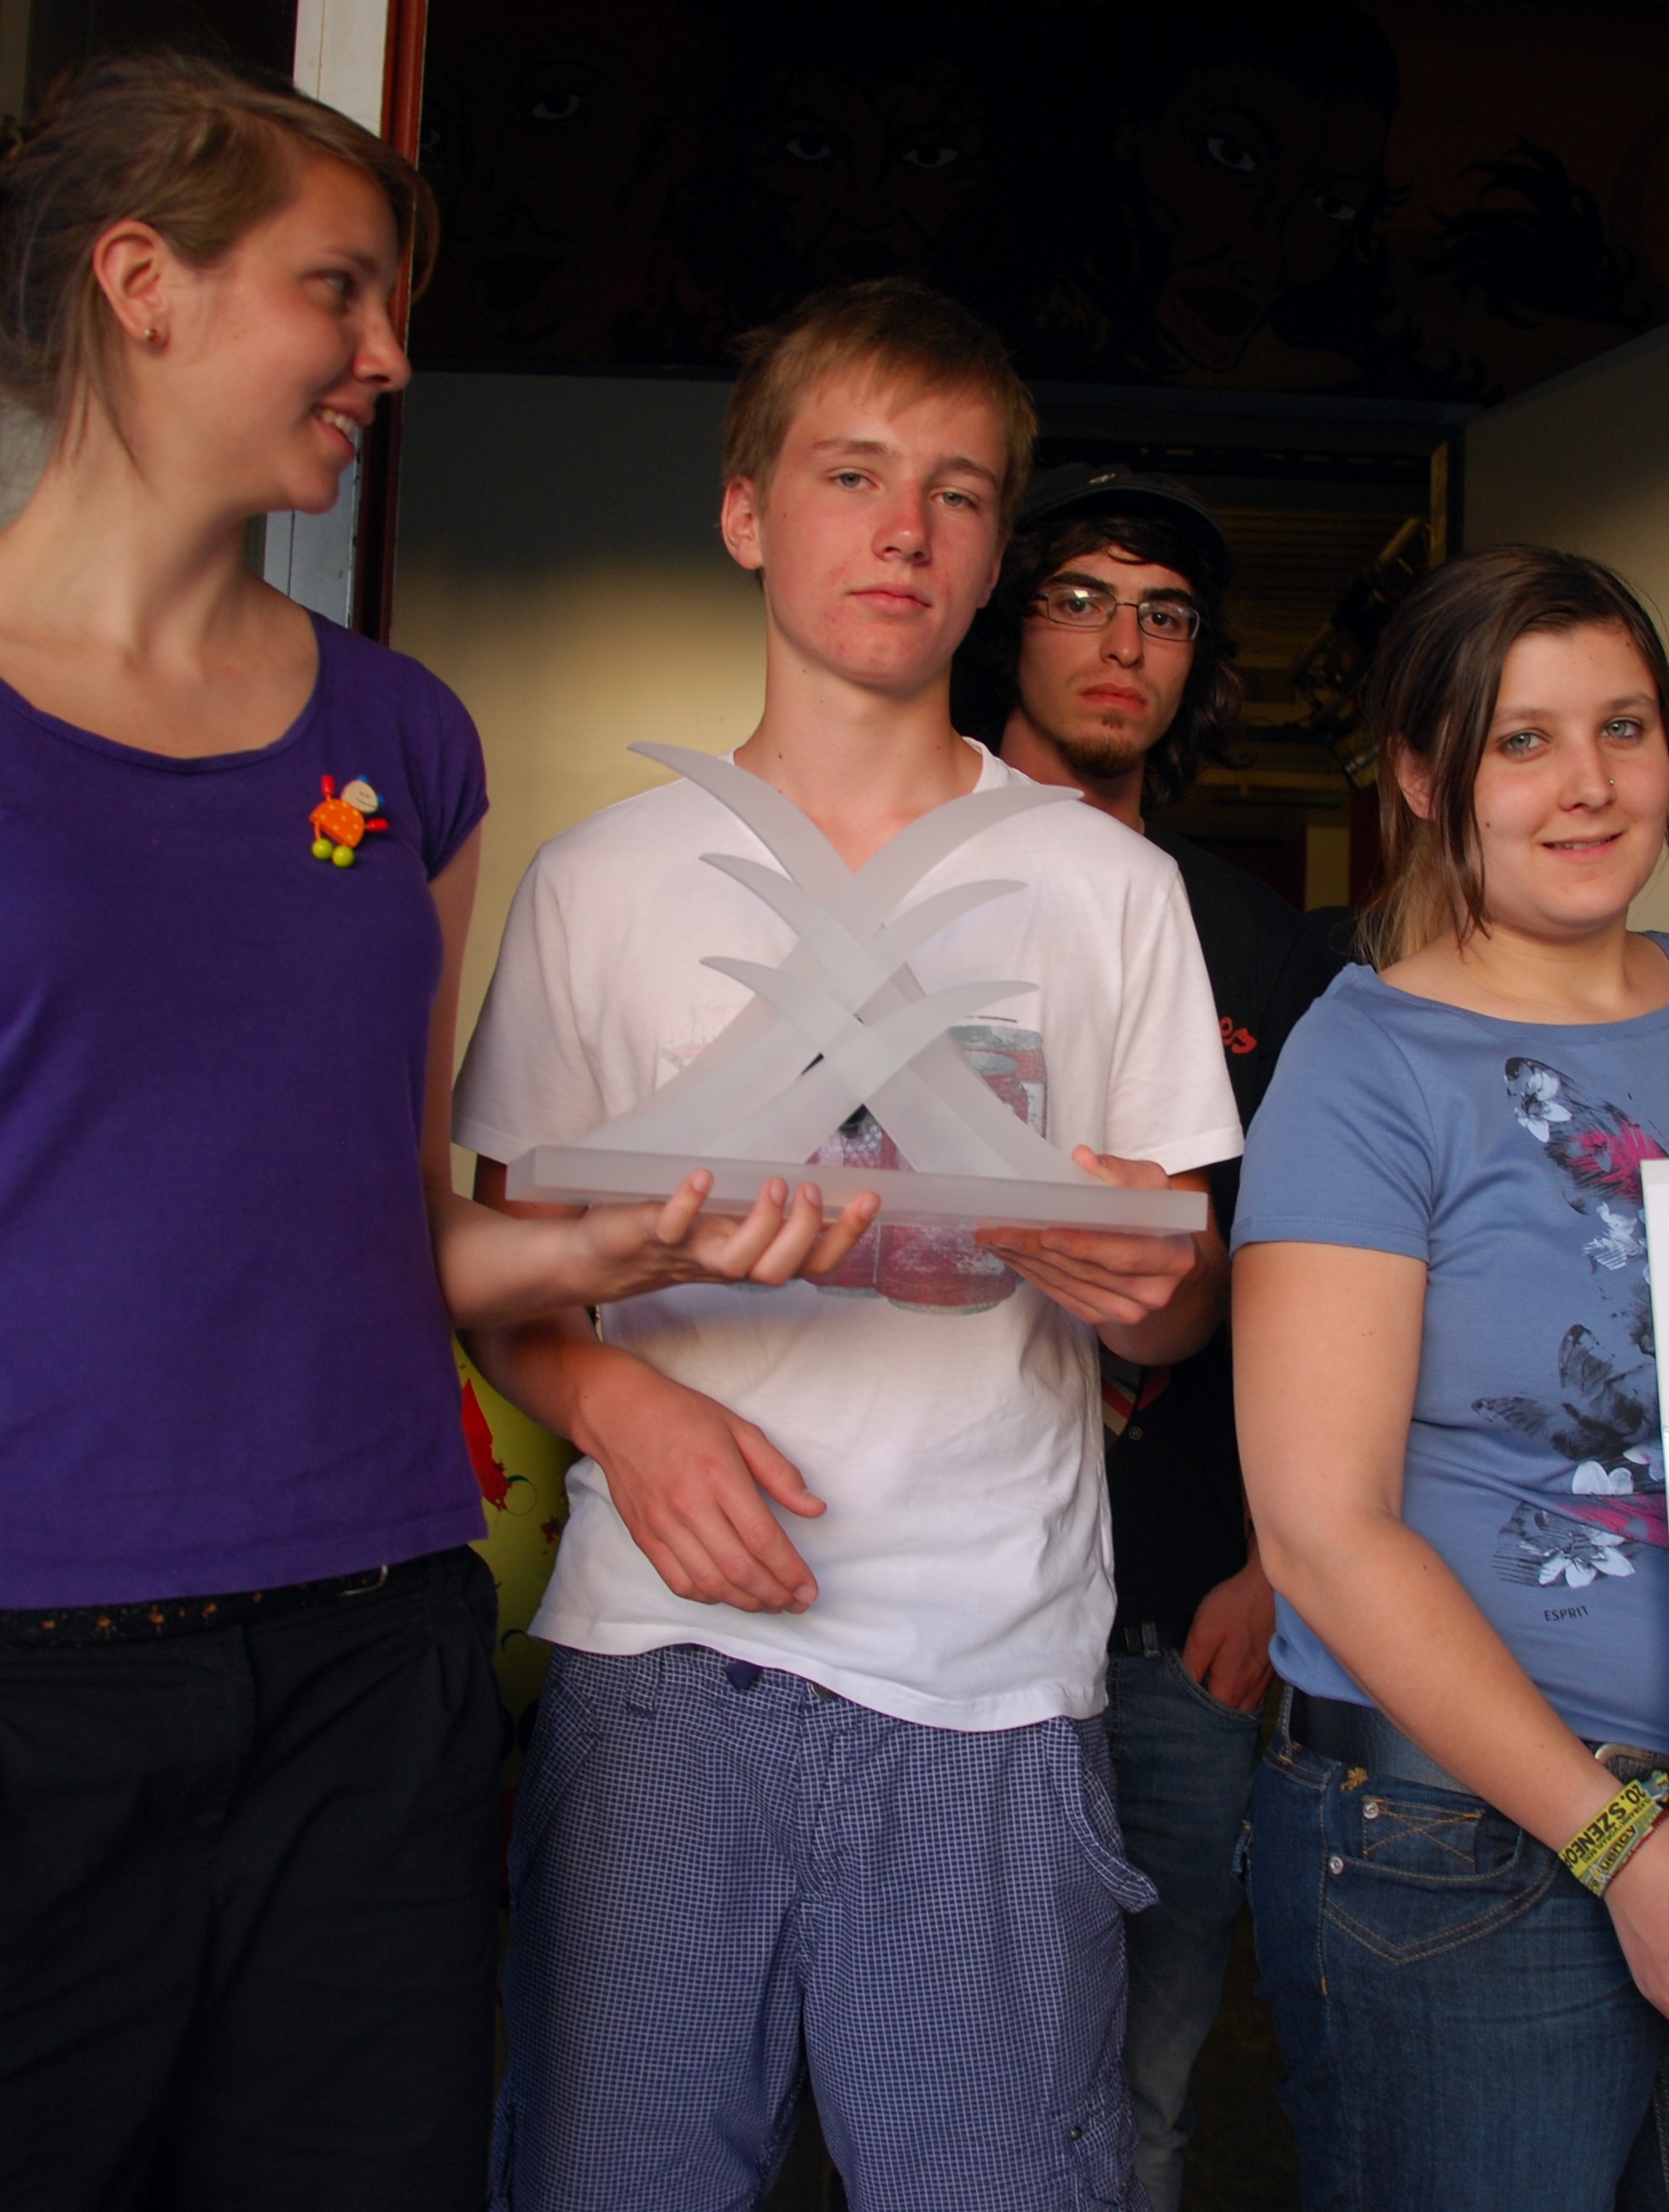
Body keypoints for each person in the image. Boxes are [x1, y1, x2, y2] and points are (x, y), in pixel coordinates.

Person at [0, 55, 874, 2212]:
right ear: (142, 283)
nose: (388, 357)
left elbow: (376, 1221)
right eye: (337, 290)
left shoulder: (403, 742)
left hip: (363, 1691)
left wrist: (613, 1247)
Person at [453, 280, 1243, 2210]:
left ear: (990, 552)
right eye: (853, 475)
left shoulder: (1108, 887)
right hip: (661, 1656)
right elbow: (492, 1271)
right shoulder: (599, 882)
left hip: (991, 1676)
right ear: (746, 512)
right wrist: (622, 1412)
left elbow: (1179, 1301)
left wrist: (1149, 1288)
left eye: (957, 493)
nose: (904, 530)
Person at [1235, 544, 1669, 2212]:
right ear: (1420, 778)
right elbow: (1321, 1530)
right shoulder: (1363, 1062)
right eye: (1521, 741)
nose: (1588, 783)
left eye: (1623, 726)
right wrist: (1621, 1846)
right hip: (1462, 1848)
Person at [962, 461, 1339, 2212]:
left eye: (1165, 613)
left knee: (1147, 2086)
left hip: (1183, 1604)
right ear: (1006, 626)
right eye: (1081, 598)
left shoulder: (1255, 935)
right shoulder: (909, 884)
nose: (1124, 644)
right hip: (944, 1594)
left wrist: (1276, 1562)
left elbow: (1319, 1276)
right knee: (938, 2072)